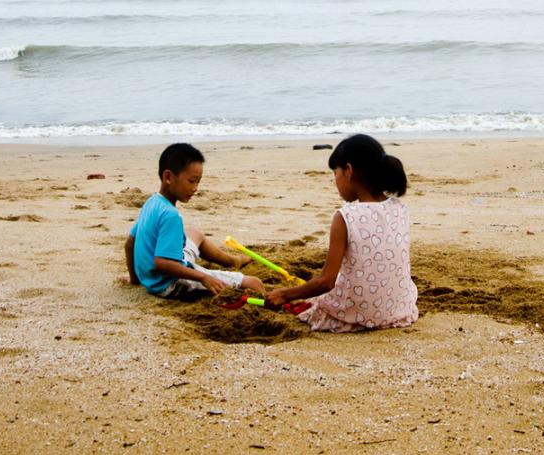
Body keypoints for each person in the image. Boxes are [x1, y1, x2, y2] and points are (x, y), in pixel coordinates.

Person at [267, 134, 418, 332]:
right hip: (398, 310)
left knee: (314, 303)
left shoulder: (345, 216)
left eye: (335, 174)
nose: (335, 182)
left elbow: (326, 282)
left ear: (349, 170)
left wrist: (284, 295)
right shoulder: (400, 208)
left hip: (357, 314)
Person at [125, 143, 263, 299]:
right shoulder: (171, 216)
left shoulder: (151, 202)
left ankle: (233, 261)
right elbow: (162, 263)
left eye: (198, 181)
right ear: (168, 177)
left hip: (152, 278)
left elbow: (130, 244)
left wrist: (135, 279)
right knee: (254, 283)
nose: (196, 188)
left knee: (193, 233)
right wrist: (202, 277)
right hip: (171, 283)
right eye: (191, 181)